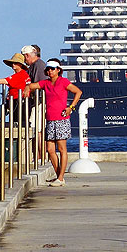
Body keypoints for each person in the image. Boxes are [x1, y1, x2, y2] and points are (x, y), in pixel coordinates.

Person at [25, 59, 82, 187]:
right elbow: (32, 85)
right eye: (48, 69)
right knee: (50, 149)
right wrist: (26, 89)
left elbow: (78, 92)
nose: (50, 71)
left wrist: (71, 107)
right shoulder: (45, 83)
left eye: (52, 68)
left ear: (58, 70)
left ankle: (61, 177)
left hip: (61, 119)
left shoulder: (63, 82)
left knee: (62, 149)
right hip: (50, 119)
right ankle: (59, 176)